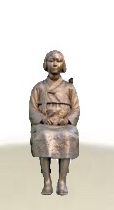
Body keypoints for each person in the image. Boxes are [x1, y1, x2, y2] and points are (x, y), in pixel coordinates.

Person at [29, 50, 80, 195]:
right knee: (43, 135)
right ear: (46, 64)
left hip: (64, 124)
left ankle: (62, 181)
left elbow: (76, 108)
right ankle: (47, 181)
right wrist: (42, 118)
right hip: (45, 124)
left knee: (69, 135)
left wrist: (66, 119)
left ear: (63, 64)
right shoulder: (39, 87)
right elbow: (32, 108)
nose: (55, 63)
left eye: (58, 60)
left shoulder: (69, 88)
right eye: (51, 60)